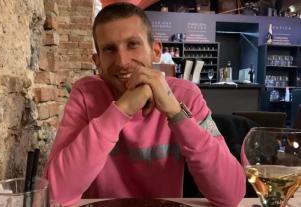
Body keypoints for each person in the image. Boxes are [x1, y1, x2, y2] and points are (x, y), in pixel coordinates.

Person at [44, 2, 245, 206]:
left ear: (156, 50)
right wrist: (122, 109)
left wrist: (176, 113)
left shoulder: (186, 95)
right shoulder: (86, 94)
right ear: (97, 61)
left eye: (132, 44)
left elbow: (231, 194)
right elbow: (54, 193)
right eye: (110, 49)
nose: (122, 61)